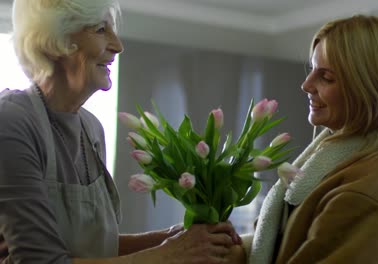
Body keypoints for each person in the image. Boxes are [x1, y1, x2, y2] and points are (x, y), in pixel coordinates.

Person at [0, 0, 240, 263]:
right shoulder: (12, 121)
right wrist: (172, 253)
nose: (118, 45)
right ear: (55, 38)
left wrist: (174, 238)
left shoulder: (91, 129)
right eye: (101, 30)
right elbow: (41, 260)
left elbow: (94, 248)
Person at [226, 15, 378, 264]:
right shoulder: (334, 161)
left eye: (326, 77)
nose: (306, 85)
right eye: (312, 71)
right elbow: (288, 244)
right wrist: (230, 253)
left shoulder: (368, 191)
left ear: (367, 88)